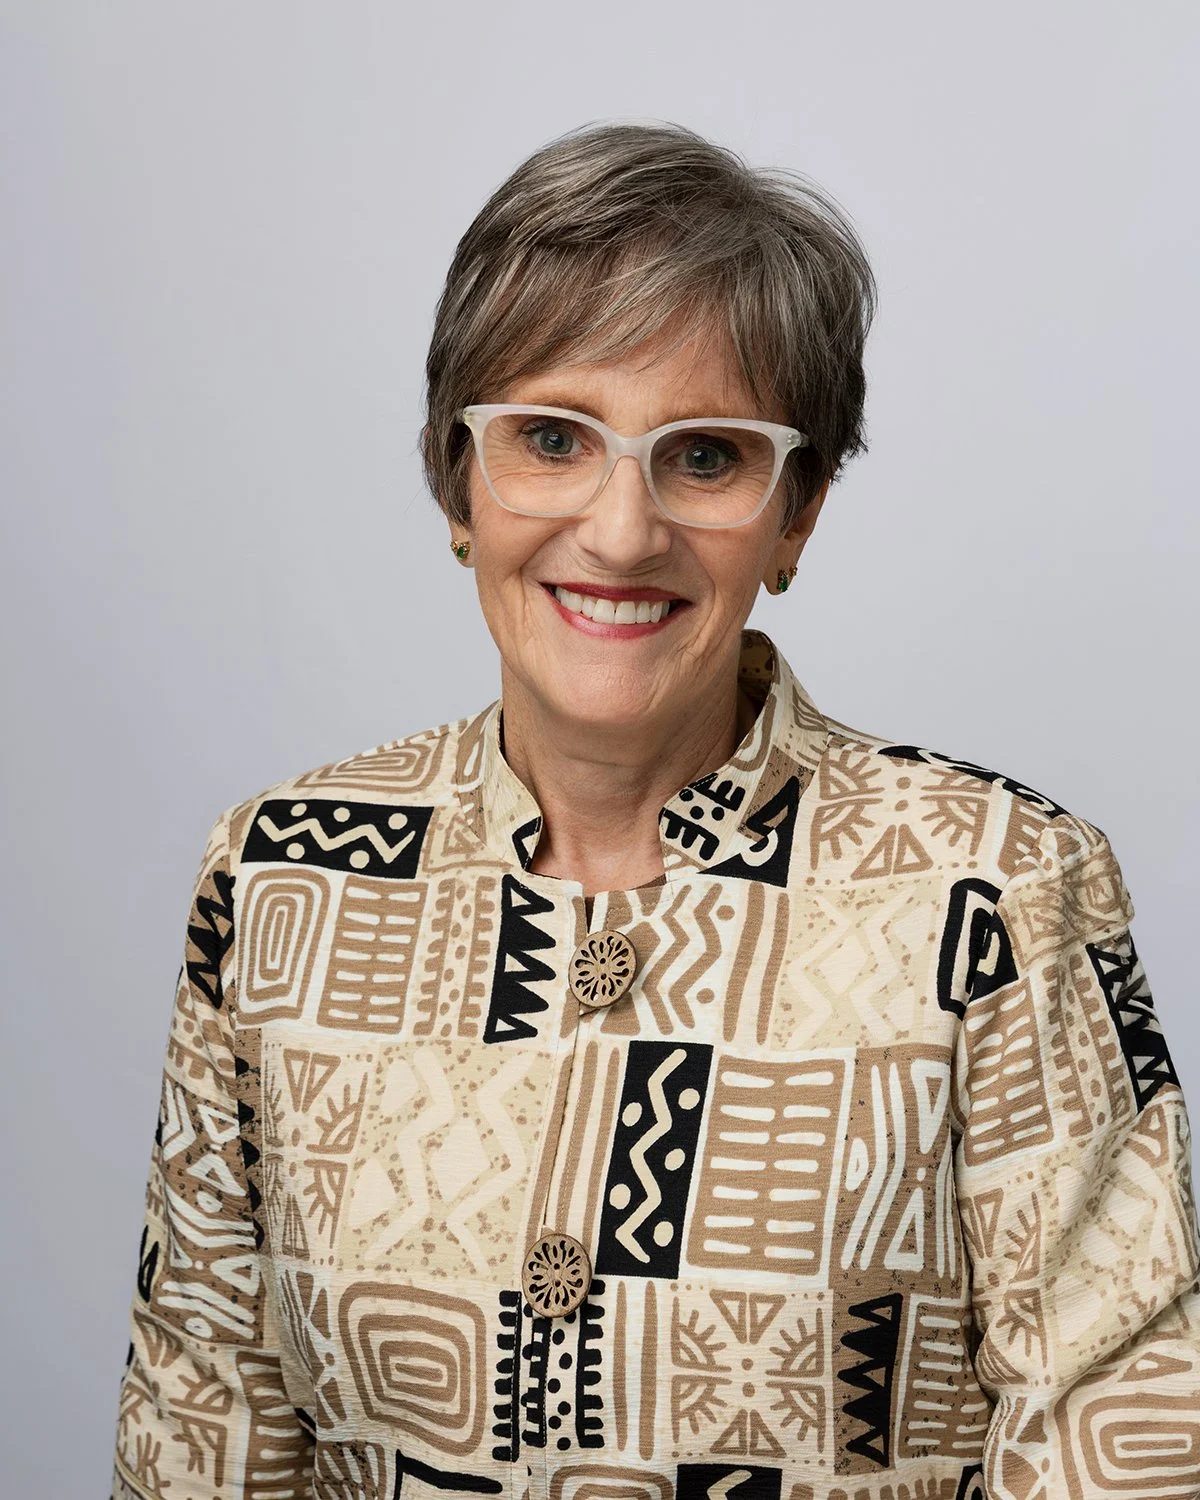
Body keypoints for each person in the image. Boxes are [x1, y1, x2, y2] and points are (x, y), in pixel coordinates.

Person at [111, 120, 1200, 1500]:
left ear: (795, 513)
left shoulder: (997, 892)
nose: (621, 531)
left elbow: (1130, 1445)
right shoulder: (279, 879)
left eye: (705, 457)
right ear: (460, 482)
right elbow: (199, 1431)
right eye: (552, 438)